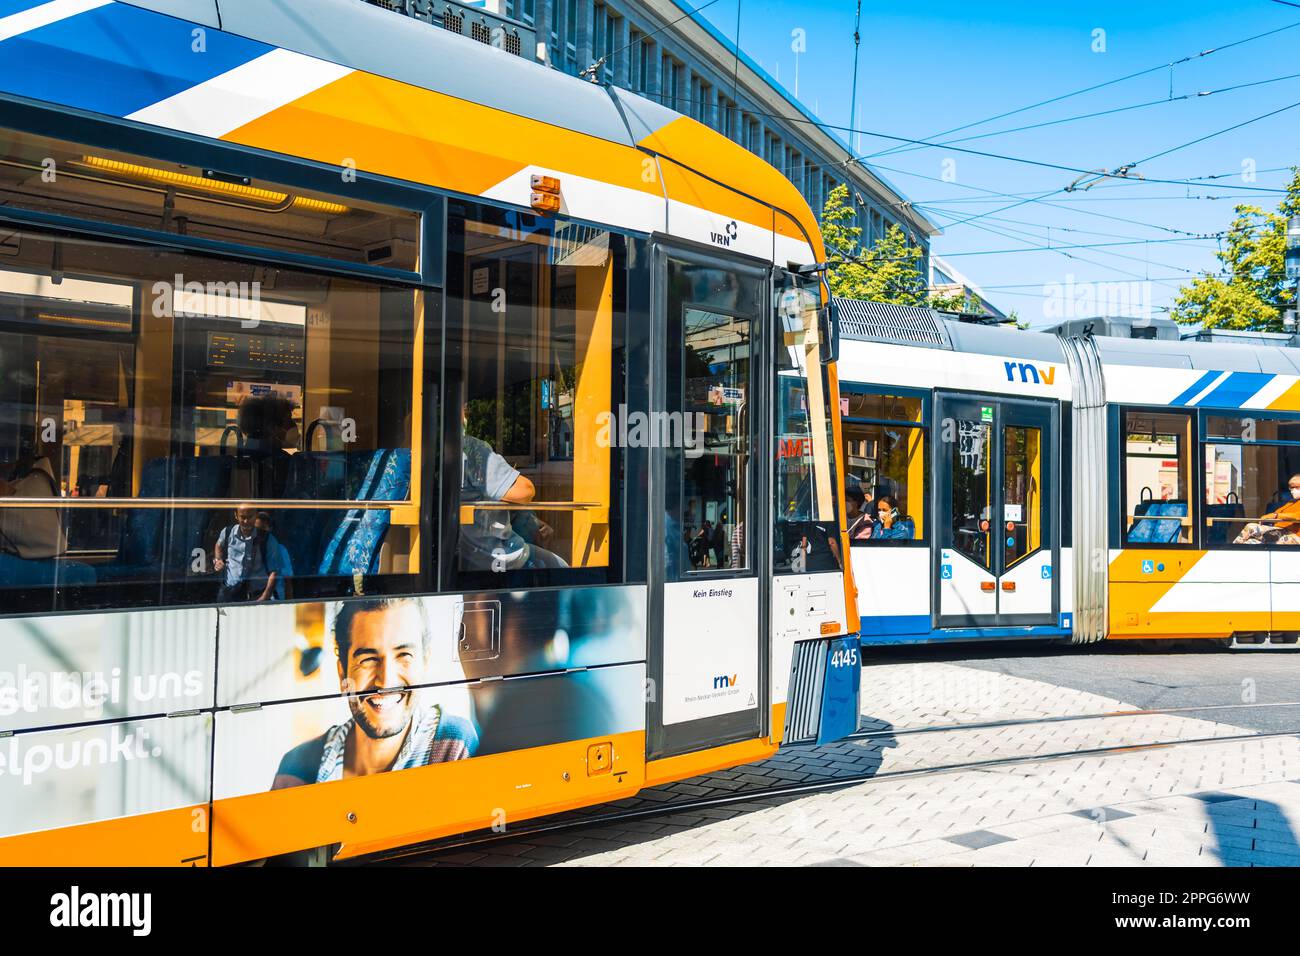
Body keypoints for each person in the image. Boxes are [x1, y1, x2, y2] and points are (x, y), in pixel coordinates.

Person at [271, 597, 477, 787]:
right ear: (342, 673)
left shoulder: (455, 744)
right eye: (368, 659)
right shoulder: (296, 767)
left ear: (424, 664)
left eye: (404, 655)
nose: (386, 681)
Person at [460, 406, 566, 572]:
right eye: (464, 409)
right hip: (495, 556)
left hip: (465, 553)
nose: (467, 414)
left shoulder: (429, 449)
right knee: (561, 567)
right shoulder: (470, 448)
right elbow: (524, 490)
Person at [214, 503, 288, 602]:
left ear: (256, 515)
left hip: (257, 596)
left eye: (250, 517)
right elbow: (219, 544)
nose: (246, 521)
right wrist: (218, 559)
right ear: (236, 515)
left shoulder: (268, 539)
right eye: (242, 517)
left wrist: (264, 597)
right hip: (230, 594)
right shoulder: (227, 532)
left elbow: (274, 572)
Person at [1234, 474, 1300, 545]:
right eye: (1291, 488)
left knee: (1251, 527)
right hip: (1280, 531)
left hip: (1295, 536)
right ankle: (1233, 551)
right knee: (1251, 542)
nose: (1292, 490)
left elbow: (1297, 516)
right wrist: (1270, 517)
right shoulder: (1292, 502)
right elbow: (1277, 512)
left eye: (1296, 487)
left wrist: (1275, 515)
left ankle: (1232, 548)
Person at [254, 512, 293, 599]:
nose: (259, 533)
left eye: (263, 529)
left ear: (270, 529)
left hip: (275, 599)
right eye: (256, 529)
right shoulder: (250, 547)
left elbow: (288, 581)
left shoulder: (281, 550)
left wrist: (289, 603)